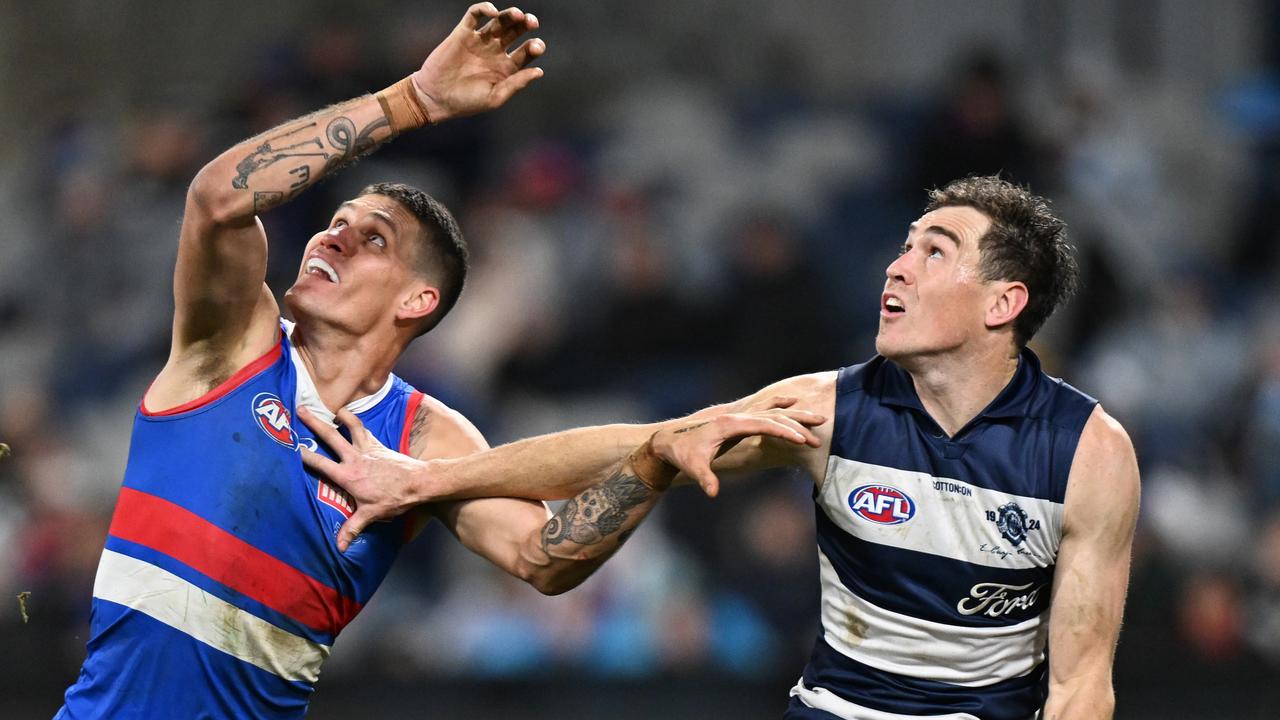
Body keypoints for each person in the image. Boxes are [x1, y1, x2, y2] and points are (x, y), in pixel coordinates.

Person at [55, 5, 825, 718]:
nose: (332, 239)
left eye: (373, 239)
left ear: (419, 301)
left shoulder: (426, 442)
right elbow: (219, 198)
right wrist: (412, 100)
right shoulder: (233, 346)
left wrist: (655, 460)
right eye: (336, 224)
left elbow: (544, 558)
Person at [304, 175, 1141, 720]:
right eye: (904, 242)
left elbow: (1079, 688)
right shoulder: (827, 413)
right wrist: (431, 478)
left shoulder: (1087, 454)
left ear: (1004, 303)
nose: (898, 266)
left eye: (934, 251)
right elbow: (647, 446)